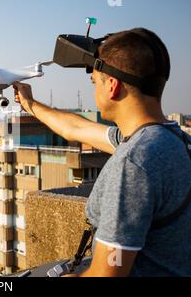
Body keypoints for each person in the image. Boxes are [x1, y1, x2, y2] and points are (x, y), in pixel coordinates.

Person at [13, 28, 191, 277]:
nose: (94, 90)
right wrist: (30, 105)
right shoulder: (173, 139)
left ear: (112, 86)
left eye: (95, 82)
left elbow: (107, 275)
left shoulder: (134, 162)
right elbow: (77, 128)